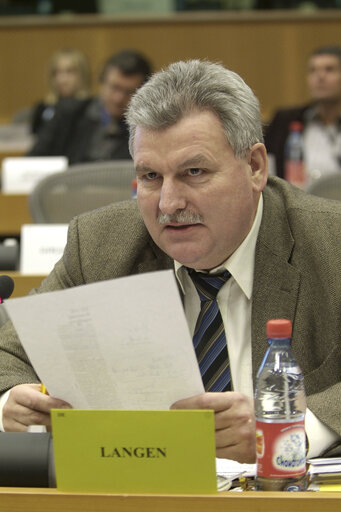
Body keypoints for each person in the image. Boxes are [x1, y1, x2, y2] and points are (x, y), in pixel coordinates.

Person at [0, 60, 340, 464]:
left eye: (194, 172)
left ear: (254, 167)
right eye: (150, 177)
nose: (168, 204)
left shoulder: (329, 243)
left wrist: (289, 430)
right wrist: (11, 401)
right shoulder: (101, 245)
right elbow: (10, 351)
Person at [27, 49, 152, 164]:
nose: (118, 98)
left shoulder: (147, 129)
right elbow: (31, 162)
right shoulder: (68, 114)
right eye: (114, 88)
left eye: (128, 92)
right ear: (102, 83)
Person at [265, 45, 341, 184]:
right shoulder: (286, 120)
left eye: (329, 70)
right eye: (313, 70)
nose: (320, 77)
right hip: (297, 201)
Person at [31, 48, 91, 135]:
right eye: (57, 73)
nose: (62, 80)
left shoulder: (93, 109)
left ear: (82, 74)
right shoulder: (43, 109)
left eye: (69, 72)